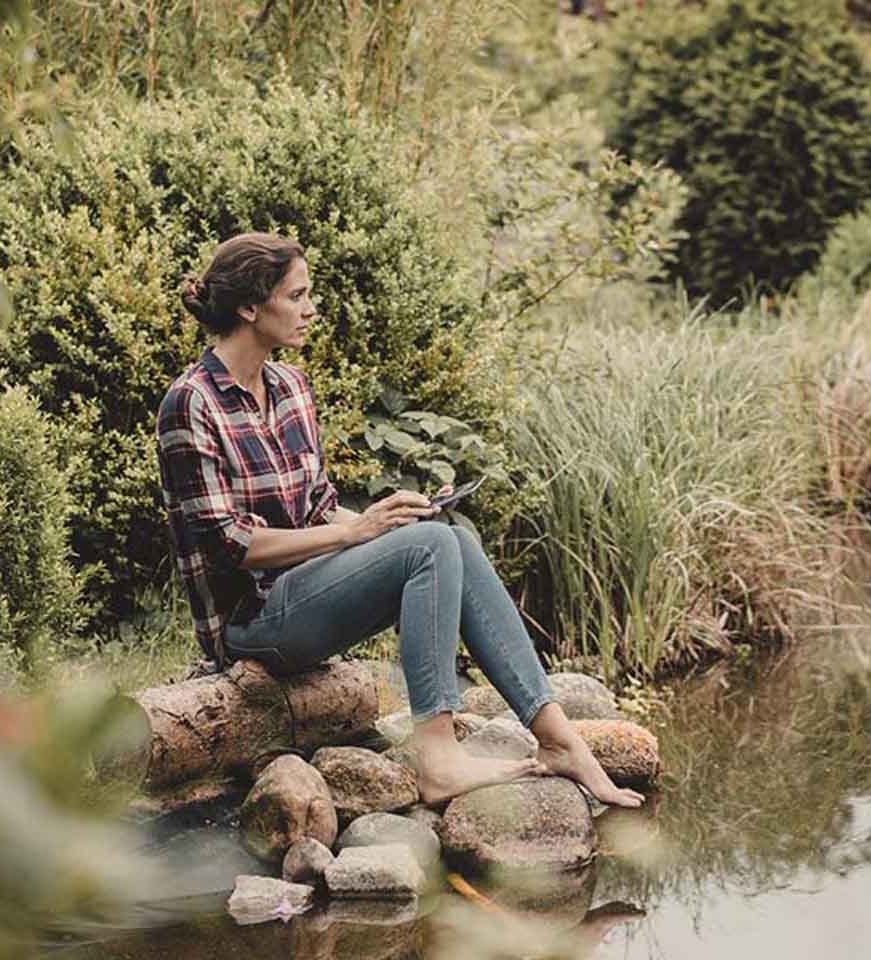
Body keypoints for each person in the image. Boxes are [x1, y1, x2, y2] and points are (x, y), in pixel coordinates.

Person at [157, 232, 643, 808]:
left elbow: (315, 507)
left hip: (305, 595)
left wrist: (385, 522)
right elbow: (229, 545)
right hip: (252, 623)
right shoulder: (191, 402)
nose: (311, 309)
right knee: (431, 545)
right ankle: (439, 761)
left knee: (447, 539)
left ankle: (559, 739)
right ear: (248, 308)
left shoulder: (289, 388)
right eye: (298, 295)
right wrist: (354, 534)